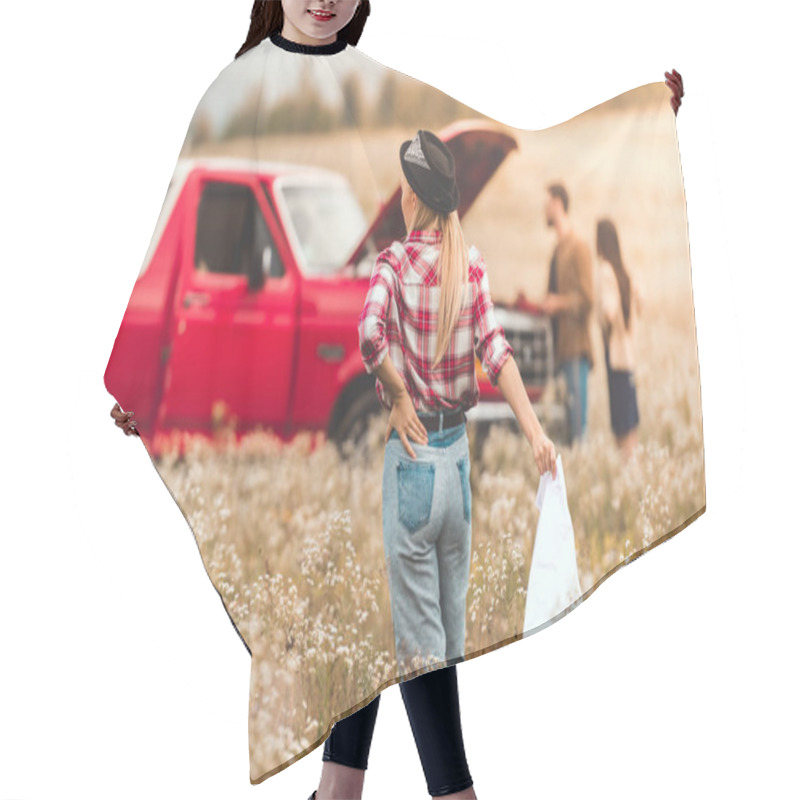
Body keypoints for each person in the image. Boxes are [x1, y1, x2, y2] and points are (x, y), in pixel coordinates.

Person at [106, 3, 686, 797]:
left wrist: (640, 118)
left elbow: (499, 155)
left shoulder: (375, 97)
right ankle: (444, 792)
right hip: (406, 452)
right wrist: (138, 374)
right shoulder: (234, 90)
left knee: (397, 621)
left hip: (420, 457)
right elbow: (172, 242)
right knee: (412, 630)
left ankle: (339, 789)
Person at [538, 182, 595, 446]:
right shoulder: (558, 249)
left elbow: (587, 299)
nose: (544, 210)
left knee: (577, 429)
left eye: (547, 203)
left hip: (575, 348)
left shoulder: (578, 247)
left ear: (558, 204)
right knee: (563, 428)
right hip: (559, 349)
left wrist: (557, 303)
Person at [596, 218, 643, 461]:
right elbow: (639, 299)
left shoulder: (605, 270)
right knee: (630, 416)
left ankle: (628, 468)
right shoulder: (624, 270)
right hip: (628, 352)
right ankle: (632, 464)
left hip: (614, 353)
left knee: (620, 417)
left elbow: (609, 309)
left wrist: (607, 315)